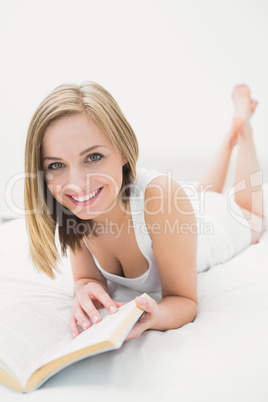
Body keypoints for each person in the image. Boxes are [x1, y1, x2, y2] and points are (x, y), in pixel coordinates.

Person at [24, 82, 265, 341]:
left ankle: (243, 130)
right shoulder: (74, 206)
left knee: (251, 213)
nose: (76, 182)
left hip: (216, 223)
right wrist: (84, 289)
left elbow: (184, 300)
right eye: (57, 164)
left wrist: (155, 317)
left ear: (124, 151)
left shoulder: (163, 198)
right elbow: (85, 276)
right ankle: (230, 138)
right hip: (183, 207)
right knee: (200, 195)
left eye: (93, 157)